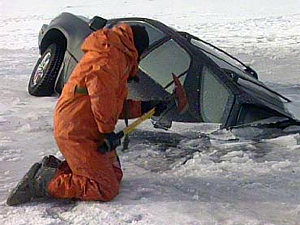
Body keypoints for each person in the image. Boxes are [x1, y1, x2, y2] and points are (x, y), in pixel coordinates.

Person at [7, 23, 150, 206]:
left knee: (114, 173)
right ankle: (43, 182)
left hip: (87, 126)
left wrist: (145, 107)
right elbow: (102, 97)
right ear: (136, 47)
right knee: (105, 187)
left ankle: (54, 168)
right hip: (76, 129)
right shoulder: (108, 58)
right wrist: (107, 132)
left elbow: (111, 104)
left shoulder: (116, 56)